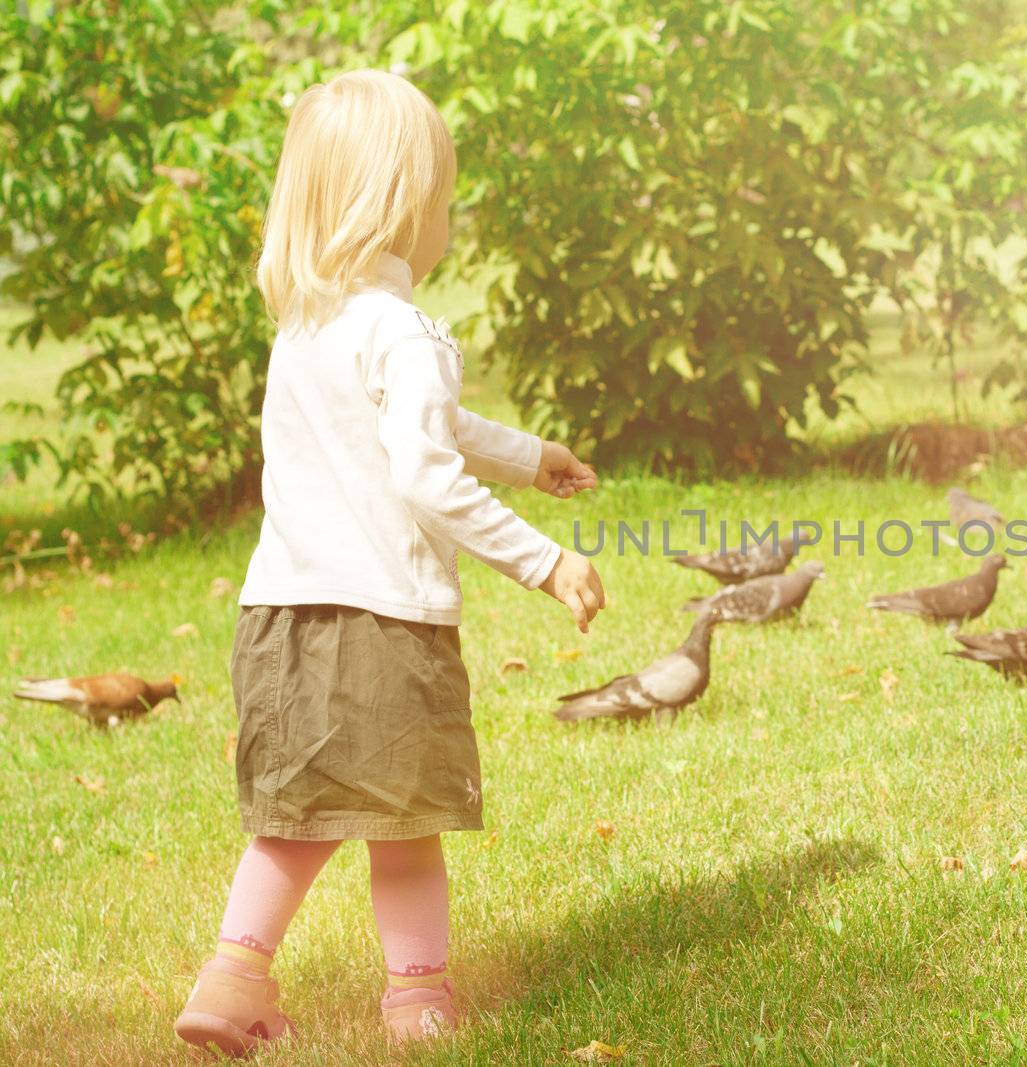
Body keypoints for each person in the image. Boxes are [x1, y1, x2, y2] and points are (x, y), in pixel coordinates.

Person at [172, 69, 606, 1054]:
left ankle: (232, 977)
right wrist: (545, 561)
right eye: (443, 198)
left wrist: (528, 455)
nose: (445, 216)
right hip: (380, 626)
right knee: (405, 833)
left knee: (293, 820)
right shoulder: (405, 332)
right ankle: (418, 1004)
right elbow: (427, 474)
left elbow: (432, 428)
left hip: (279, 621)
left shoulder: (307, 328)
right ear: (408, 206)